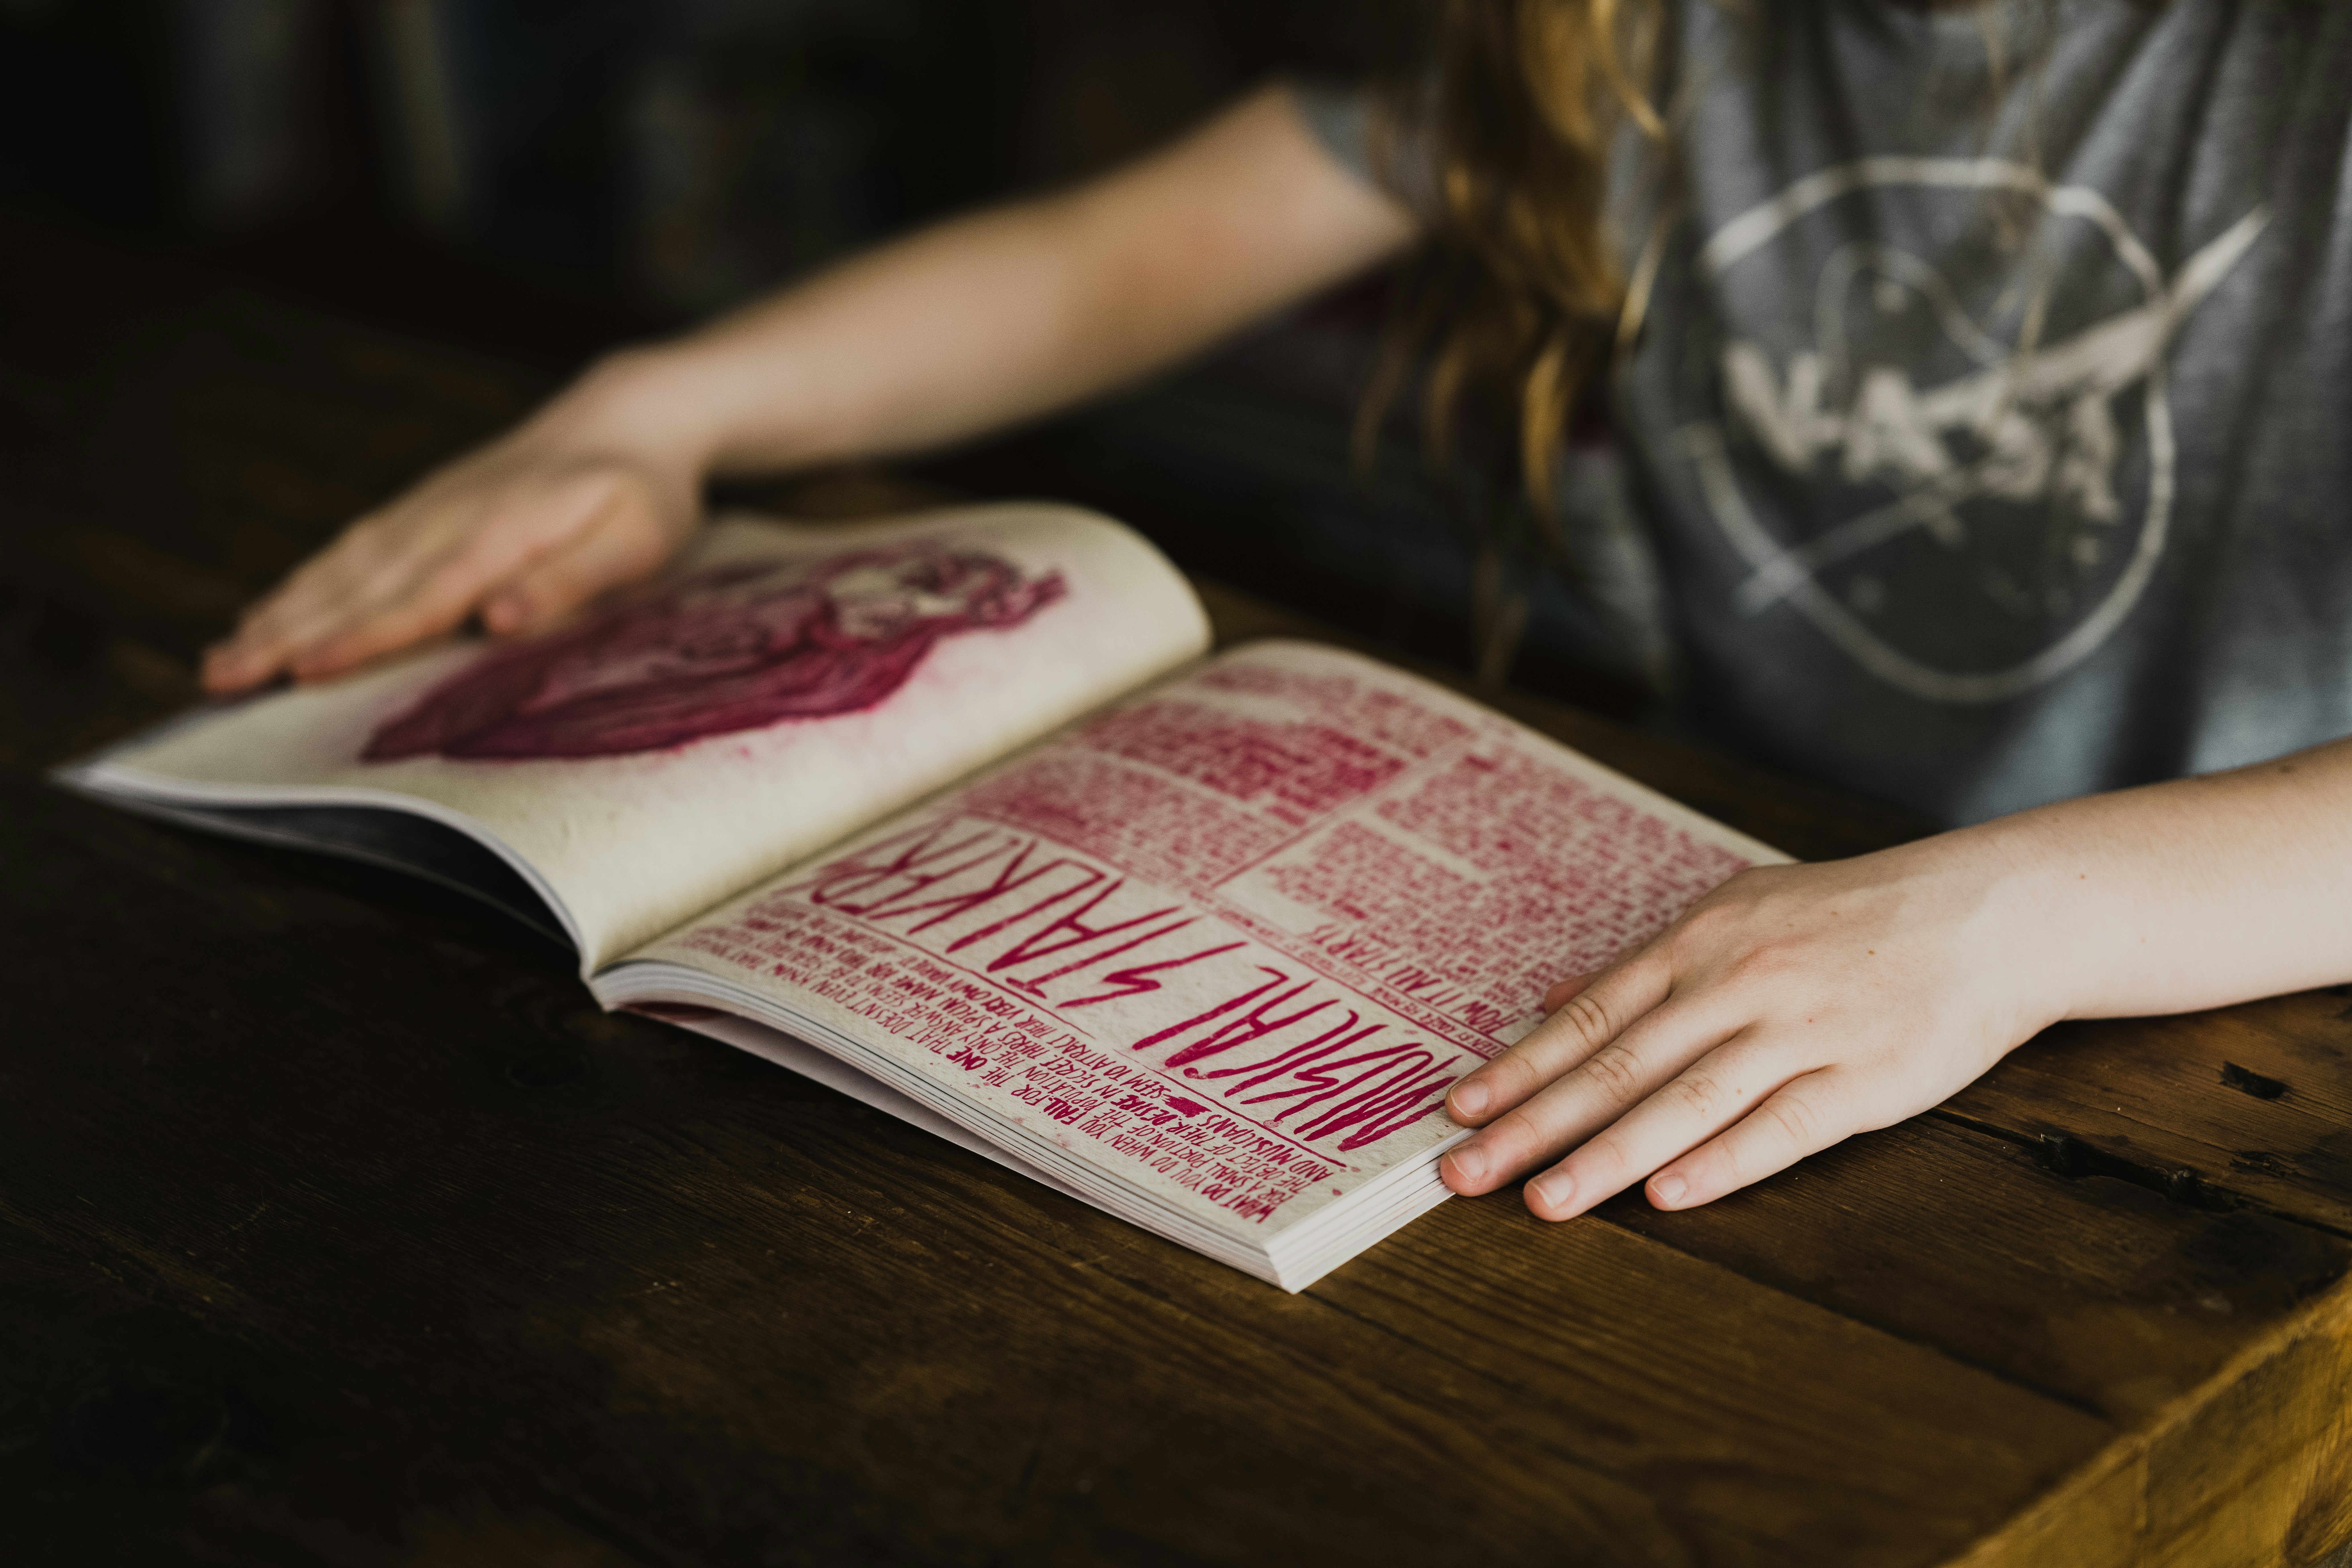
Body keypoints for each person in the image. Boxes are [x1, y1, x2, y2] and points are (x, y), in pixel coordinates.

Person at [200, 1, 2352, 1226]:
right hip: (1739, 939)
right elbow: (1115, 262)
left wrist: (2019, 922)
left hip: (2234, 1041)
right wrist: (656, 414)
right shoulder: (1626, 29)